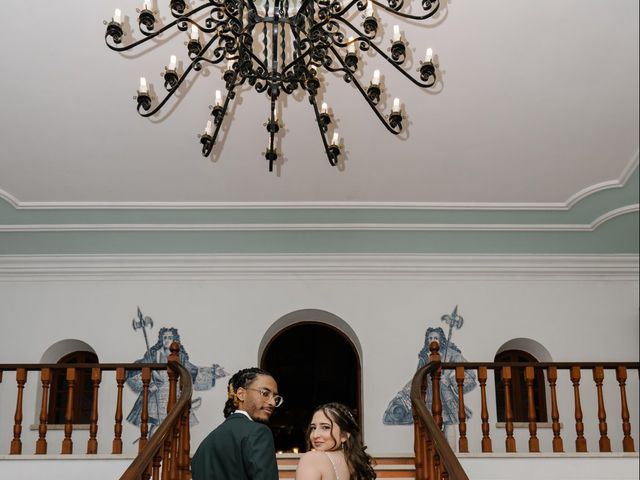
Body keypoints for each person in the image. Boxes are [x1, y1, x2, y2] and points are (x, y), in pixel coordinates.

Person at [126, 327, 227, 436]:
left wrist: (213, 372)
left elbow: (193, 371)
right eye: (164, 337)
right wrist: (150, 383)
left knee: (175, 426)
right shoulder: (153, 355)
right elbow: (138, 368)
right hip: (156, 396)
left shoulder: (181, 357)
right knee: (156, 427)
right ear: (161, 339)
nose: (167, 340)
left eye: (170, 337)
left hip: (174, 394)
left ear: (175, 340)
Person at [383, 327, 477, 436]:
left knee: (449, 423)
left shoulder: (451, 353)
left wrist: (451, 381)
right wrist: (404, 393)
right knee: (429, 423)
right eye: (430, 338)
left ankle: (451, 451)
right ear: (427, 340)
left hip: (445, 394)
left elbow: (469, 372)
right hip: (427, 394)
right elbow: (418, 377)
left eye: (436, 338)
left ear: (441, 339)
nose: (433, 340)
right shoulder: (423, 357)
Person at [192, 367, 282, 480]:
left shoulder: (204, 446)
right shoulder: (258, 432)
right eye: (265, 393)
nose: (272, 402)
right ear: (241, 394)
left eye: (275, 397)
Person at [296, 402, 376, 480]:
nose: (315, 435)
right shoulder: (351, 462)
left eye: (325, 427)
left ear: (344, 435)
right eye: (313, 428)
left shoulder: (312, 459)